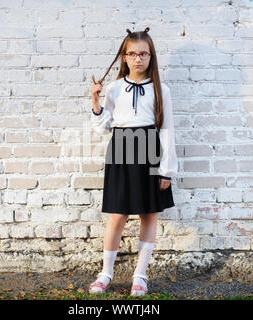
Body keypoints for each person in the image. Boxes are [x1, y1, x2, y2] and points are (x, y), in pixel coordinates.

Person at [88, 27, 178, 296]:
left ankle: (140, 275)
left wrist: (166, 170)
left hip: (150, 148)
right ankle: (105, 273)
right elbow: (103, 126)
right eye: (132, 53)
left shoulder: (161, 90)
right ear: (124, 57)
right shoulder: (114, 88)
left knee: (148, 213)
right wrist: (95, 100)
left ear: (151, 56)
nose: (138, 58)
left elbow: (167, 129)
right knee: (118, 214)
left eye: (143, 53)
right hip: (122, 148)